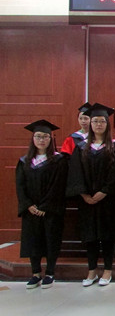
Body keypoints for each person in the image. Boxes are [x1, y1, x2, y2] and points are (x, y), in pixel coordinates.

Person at [66, 103, 115, 287]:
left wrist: (105, 191)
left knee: (107, 235)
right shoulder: (81, 148)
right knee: (90, 235)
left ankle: (107, 270)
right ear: (90, 124)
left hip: (108, 200)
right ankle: (92, 270)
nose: (99, 124)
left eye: (102, 121)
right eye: (95, 121)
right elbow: (75, 172)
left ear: (107, 124)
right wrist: (84, 194)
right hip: (87, 200)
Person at [16, 120, 68, 289]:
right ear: (33, 139)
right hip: (30, 210)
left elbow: (58, 185)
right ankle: (36, 273)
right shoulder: (24, 161)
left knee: (51, 239)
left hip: (50, 210)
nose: (41, 140)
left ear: (51, 139)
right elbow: (20, 186)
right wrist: (28, 205)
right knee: (33, 240)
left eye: (45, 137)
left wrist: (45, 206)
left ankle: (50, 273)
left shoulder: (58, 160)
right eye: (38, 136)